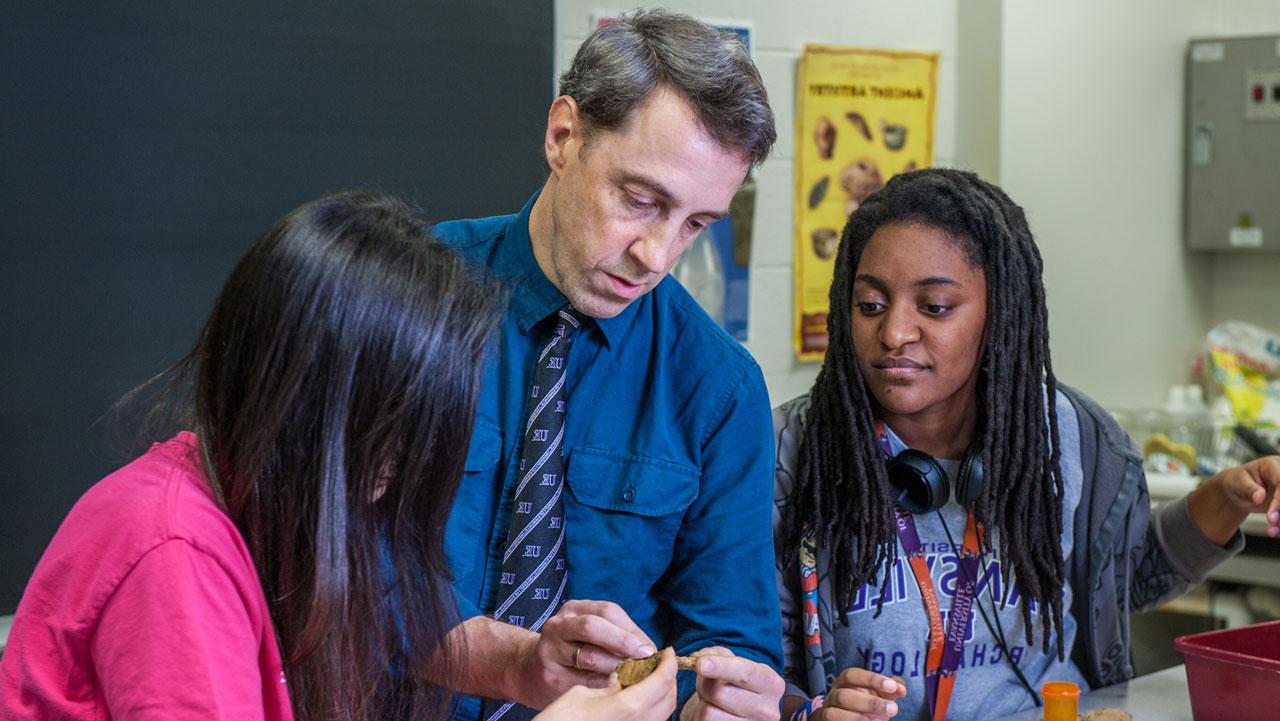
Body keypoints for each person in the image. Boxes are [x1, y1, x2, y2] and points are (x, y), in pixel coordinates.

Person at [0, 191, 679, 721]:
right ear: (320, 400)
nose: (405, 465)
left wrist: (520, 669)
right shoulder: (173, 551)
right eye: (398, 428)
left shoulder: (235, 511)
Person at [770, 169, 1280, 721]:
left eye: (935, 307)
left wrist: (1227, 500)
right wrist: (809, 714)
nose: (894, 332)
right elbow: (746, 656)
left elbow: (1128, 580)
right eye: (870, 305)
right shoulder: (791, 454)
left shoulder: (1071, 437)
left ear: (1000, 313)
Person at [430, 9, 785, 721]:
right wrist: (518, 663)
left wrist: (720, 700)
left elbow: (730, 635)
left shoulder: (718, 389)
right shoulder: (406, 295)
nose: (657, 256)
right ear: (564, 136)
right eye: (640, 200)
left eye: (695, 224)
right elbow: (329, 572)